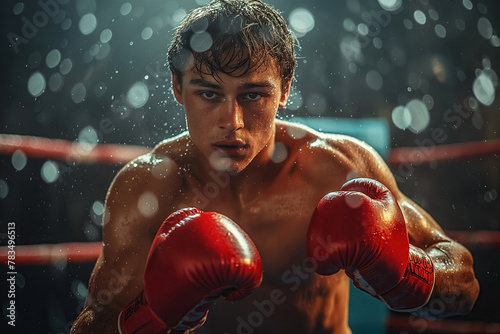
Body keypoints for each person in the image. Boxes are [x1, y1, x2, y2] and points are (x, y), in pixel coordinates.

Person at [71, 0, 480, 333]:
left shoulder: (337, 168)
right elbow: (91, 325)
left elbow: (464, 282)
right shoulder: (148, 188)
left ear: (285, 89)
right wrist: (154, 312)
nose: (231, 122)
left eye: (252, 96)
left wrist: (407, 272)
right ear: (178, 87)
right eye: (209, 93)